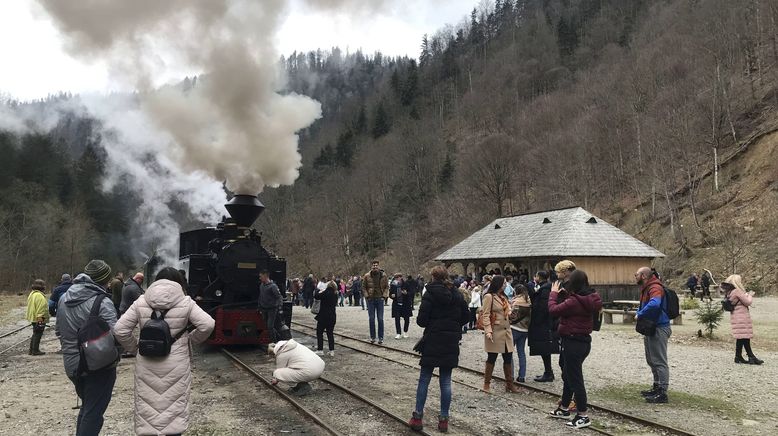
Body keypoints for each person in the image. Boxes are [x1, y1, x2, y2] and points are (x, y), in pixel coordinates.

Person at [114, 267, 215, 436]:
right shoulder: (186, 302)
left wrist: (136, 348)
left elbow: (120, 330)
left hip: (147, 362)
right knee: (173, 408)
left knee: (148, 409)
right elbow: (208, 324)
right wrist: (189, 340)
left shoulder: (141, 301)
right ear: (179, 283)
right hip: (177, 363)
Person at [55, 259, 120, 436]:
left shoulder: (64, 298)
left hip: (71, 365)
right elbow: (117, 335)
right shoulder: (102, 302)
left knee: (88, 407)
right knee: (93, 413)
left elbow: (58, 331)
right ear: (104, 280)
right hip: (97, 366)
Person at [408, 266, 469, 433]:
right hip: (450, 341)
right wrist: (453, 325)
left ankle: (418, 417)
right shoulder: (457, 294)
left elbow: (421, 320)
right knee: (446, 381)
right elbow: (466, 316)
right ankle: (443, 420)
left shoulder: (429, 294)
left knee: (424, 378)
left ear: (433, 277)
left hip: (433, 339)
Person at [547, 270, 602, 429]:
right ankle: (564, 407)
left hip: (572, 342)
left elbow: (553, 310)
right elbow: (573, 307)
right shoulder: (590, 297)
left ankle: (583, 415)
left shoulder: (574, 301)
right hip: (582, 341)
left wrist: (553, 295)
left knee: (575, 379)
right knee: (568, 374)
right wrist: (565, 295)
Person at [635, 266, 671, 403]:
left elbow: (655, 304)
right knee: (651, 359)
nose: (635, 277)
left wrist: (640, 313)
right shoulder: (647, 287)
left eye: (636, 274)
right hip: (651, 328)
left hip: (659, 328)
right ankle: (656, 387)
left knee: (659, 361)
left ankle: (662, 392)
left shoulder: (655, 287)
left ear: (643, 276)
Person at [481, 275, 519, 393]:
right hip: (494, 332)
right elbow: (485, 314)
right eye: (503, 283)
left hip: (506, 331)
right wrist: (488, 330)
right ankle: (486, 384)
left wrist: (511, 313)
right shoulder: (489, 297)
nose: (505, 285)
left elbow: (506, 312)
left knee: (508, 357)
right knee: (492, 358)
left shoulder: (504, 297)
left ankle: (509, 384)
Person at [722, 275, 763, 365]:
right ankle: (751, 356)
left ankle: (738, 356)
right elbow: (747, 302)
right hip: (742, 317)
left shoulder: (729, 292)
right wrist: (750, 295)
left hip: (735, 316)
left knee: (741, 337)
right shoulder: (737, 291)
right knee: (745, 337)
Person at [528, 271, 558, 382]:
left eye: (535, 276)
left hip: (543, 324)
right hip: (545, 323)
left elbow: (543, 308)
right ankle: (548, 371)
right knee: (544, 349)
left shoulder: (545, 289)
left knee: (544, 349)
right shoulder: (546, 287)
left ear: (539, 277)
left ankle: (548, 372)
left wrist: (537, 320)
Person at [363, 260, 389, 344]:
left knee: (380, 319)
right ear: (371, 266)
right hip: (371, 300)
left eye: (376, 265)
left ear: (378, 266)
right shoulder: (367, 276)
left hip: (380, 299)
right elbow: (363, 287)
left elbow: (387, 287)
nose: (375, 267)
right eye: (373, 265)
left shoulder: (383, 275)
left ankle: (381, 337)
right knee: (371, 319)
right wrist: (367, 296)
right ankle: (372, 337)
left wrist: (384, 297)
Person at [510, 284, 531, 383]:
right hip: (525, 330)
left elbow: (512, 316)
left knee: (509, 352)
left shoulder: (516, 302)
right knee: (521, 352)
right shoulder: (529, 301)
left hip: (514, 328)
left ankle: (511, 375)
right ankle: (522, 376)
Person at [314, 279, 338, 356]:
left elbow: (316, 296)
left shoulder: (325, 292)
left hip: (323, 316)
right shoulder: (335, 294)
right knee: (330, 333)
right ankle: (332, 351)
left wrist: (318, 290)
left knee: (319, 332)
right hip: (332, 316)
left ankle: (320, 349)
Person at [259, 270, 283, 343]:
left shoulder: (273, 286)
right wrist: (259, 306)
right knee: (267, 326)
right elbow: (261, 296)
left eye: (261, 276)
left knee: (270, 326)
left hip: (272, 309)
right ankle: (279, 338)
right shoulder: (261, 285)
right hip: (263, 308)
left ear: (265, 276)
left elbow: (279, 297)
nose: (260, 278)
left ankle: (275, 342)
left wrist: (280, 306)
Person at [26, 279, 49, 356]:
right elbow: (41, 310)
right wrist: (40, 322)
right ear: (42, 287)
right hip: (39, 318)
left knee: (35, 333)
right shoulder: (40, 296)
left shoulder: (32, 294)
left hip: (33, 317)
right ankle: (35, 350)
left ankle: (31, 350)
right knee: (38, 333)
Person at [391, 274, 415, 339]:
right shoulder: (393, 284)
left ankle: (405, 332)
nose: (397, 279)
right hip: (396, 304)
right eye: (396, 278)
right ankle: (398, 333)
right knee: (397, 319)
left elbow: (411, 292)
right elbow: (390, 293)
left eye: (398, 277)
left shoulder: (406, 284)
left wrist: (406, 293)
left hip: (405, 304)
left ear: (401, 278)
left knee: (406, 319)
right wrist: (391, 296)